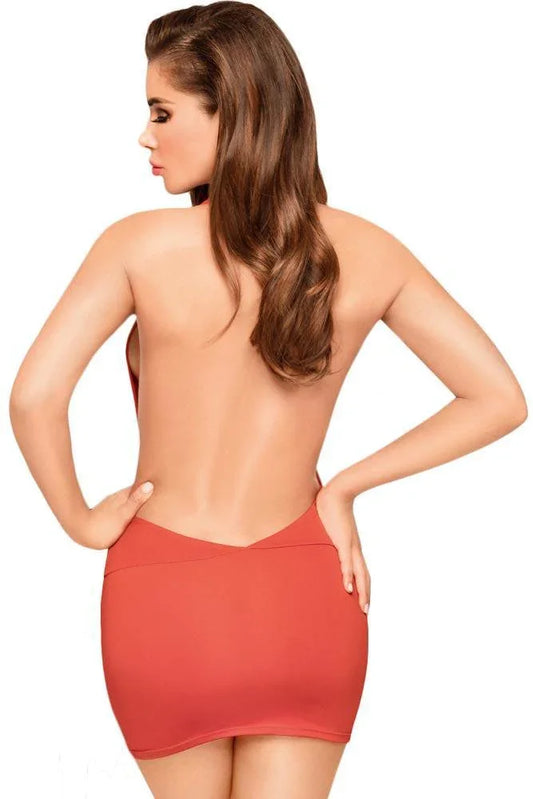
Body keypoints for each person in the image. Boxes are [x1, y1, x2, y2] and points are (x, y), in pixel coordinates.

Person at [9, 3, 527, 798]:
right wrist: (342, 487)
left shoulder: (136, 246)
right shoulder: (368, 249)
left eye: (162, 112)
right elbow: (498, 397)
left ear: (237, 109)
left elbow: (34, 396)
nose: (145, 136)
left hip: (164, 595)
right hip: (306, 594)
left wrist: (81, 519)